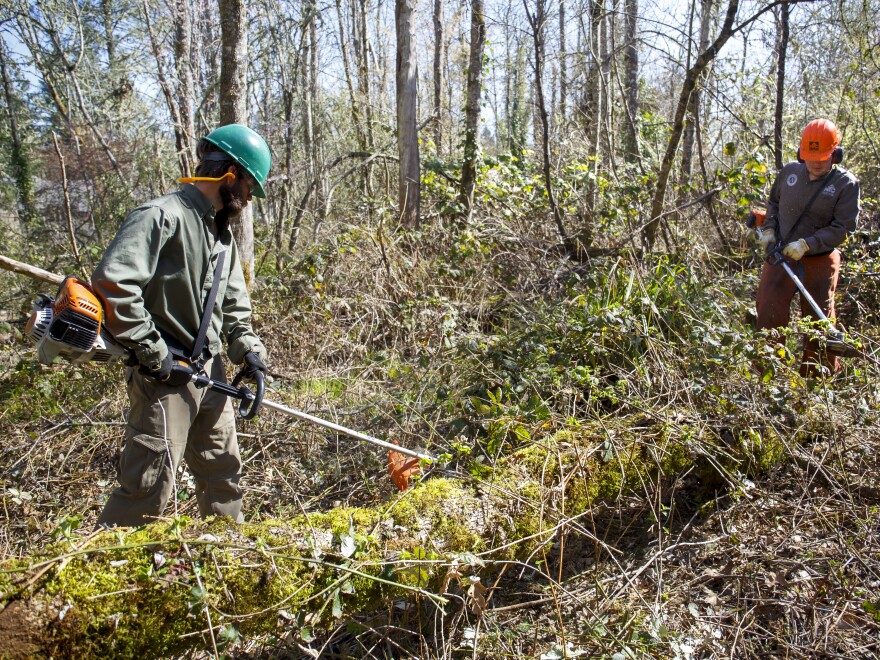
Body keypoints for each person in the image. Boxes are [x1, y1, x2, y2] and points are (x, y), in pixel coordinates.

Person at [92, 124, 272, 526]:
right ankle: (111, 572)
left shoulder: (222, 236)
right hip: (164, 375)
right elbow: (113, 285)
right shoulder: (160, 216)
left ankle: (227, 555)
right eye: (246, 189)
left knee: (223, 474)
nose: (246, 199)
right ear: (229, 175)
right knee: (148, 486)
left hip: (211, 373)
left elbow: (234, 308)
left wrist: (251, 353)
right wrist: (155, 352)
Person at [755, 118, 860, 376]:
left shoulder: (846, 184)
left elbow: (843, 227)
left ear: (836, 154)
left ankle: (816, 381)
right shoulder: (790, 173)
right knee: (768, 309)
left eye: (823, 157)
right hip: (781, 256)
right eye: (811, 156)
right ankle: (766, 375)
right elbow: (774, 203)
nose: (816, 163)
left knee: (819, 321)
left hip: (820, 260)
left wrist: (807, 244)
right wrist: (769, 228)